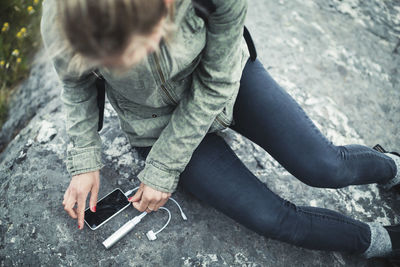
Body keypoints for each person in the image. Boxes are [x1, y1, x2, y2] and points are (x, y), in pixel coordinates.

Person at [40, 0, 400, 261]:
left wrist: (164, 168)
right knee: (271, 218)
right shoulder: (62, 16)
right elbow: (76, 81)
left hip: (228, 83)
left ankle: (392, 166)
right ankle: (379, 240)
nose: (145, 52)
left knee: (326, 167)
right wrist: (85, 161)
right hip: (155, 125)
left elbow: (216, 84)